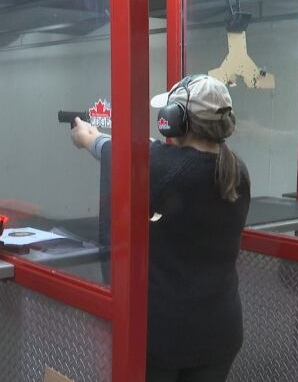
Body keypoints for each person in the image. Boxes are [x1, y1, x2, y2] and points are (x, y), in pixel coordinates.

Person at [70, 75, 251, 382]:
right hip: (219, 331)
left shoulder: (166, 167)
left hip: (167, 337)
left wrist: (88, 138)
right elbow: (153, 153)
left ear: (175, 120)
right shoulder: (235, 169)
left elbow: (126, 154)